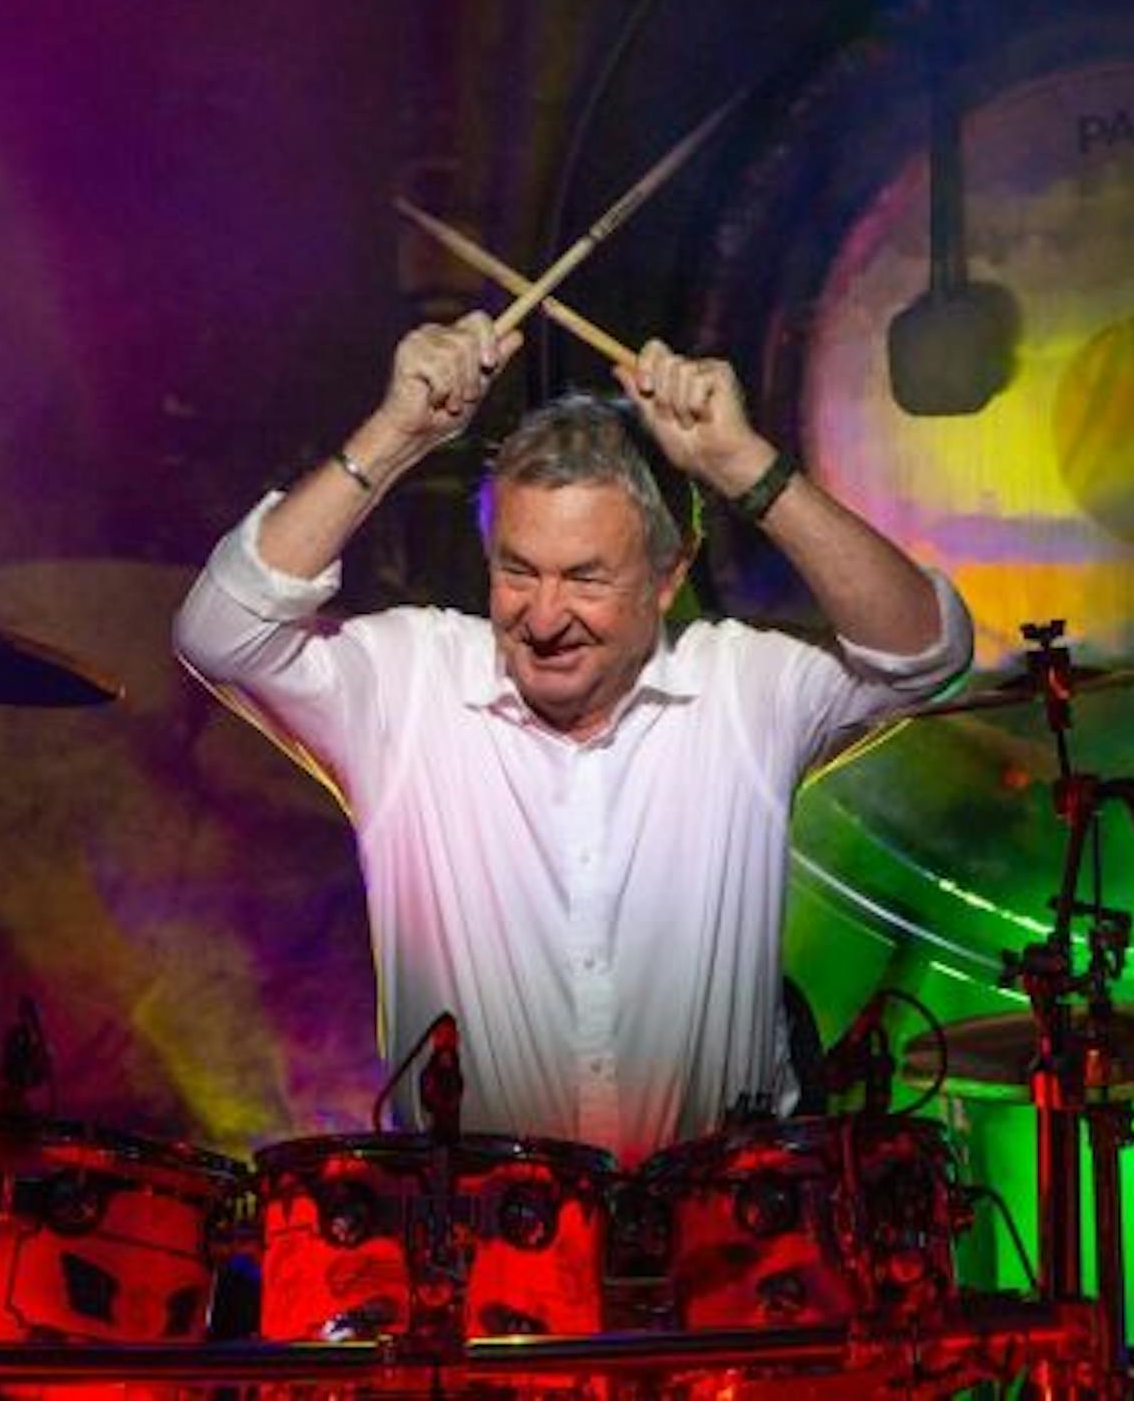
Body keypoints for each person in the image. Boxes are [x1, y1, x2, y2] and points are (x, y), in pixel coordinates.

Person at [173, 313, 972, 1164]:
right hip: (475, 1223)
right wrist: (397, 435)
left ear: (668, 575)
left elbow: (926, 653)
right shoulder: (409, 685)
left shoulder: (744, 687)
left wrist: (746, 466)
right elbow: (219, 633)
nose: (545, 616)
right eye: (519, 571)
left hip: (724, 1220)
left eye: (586, 578)